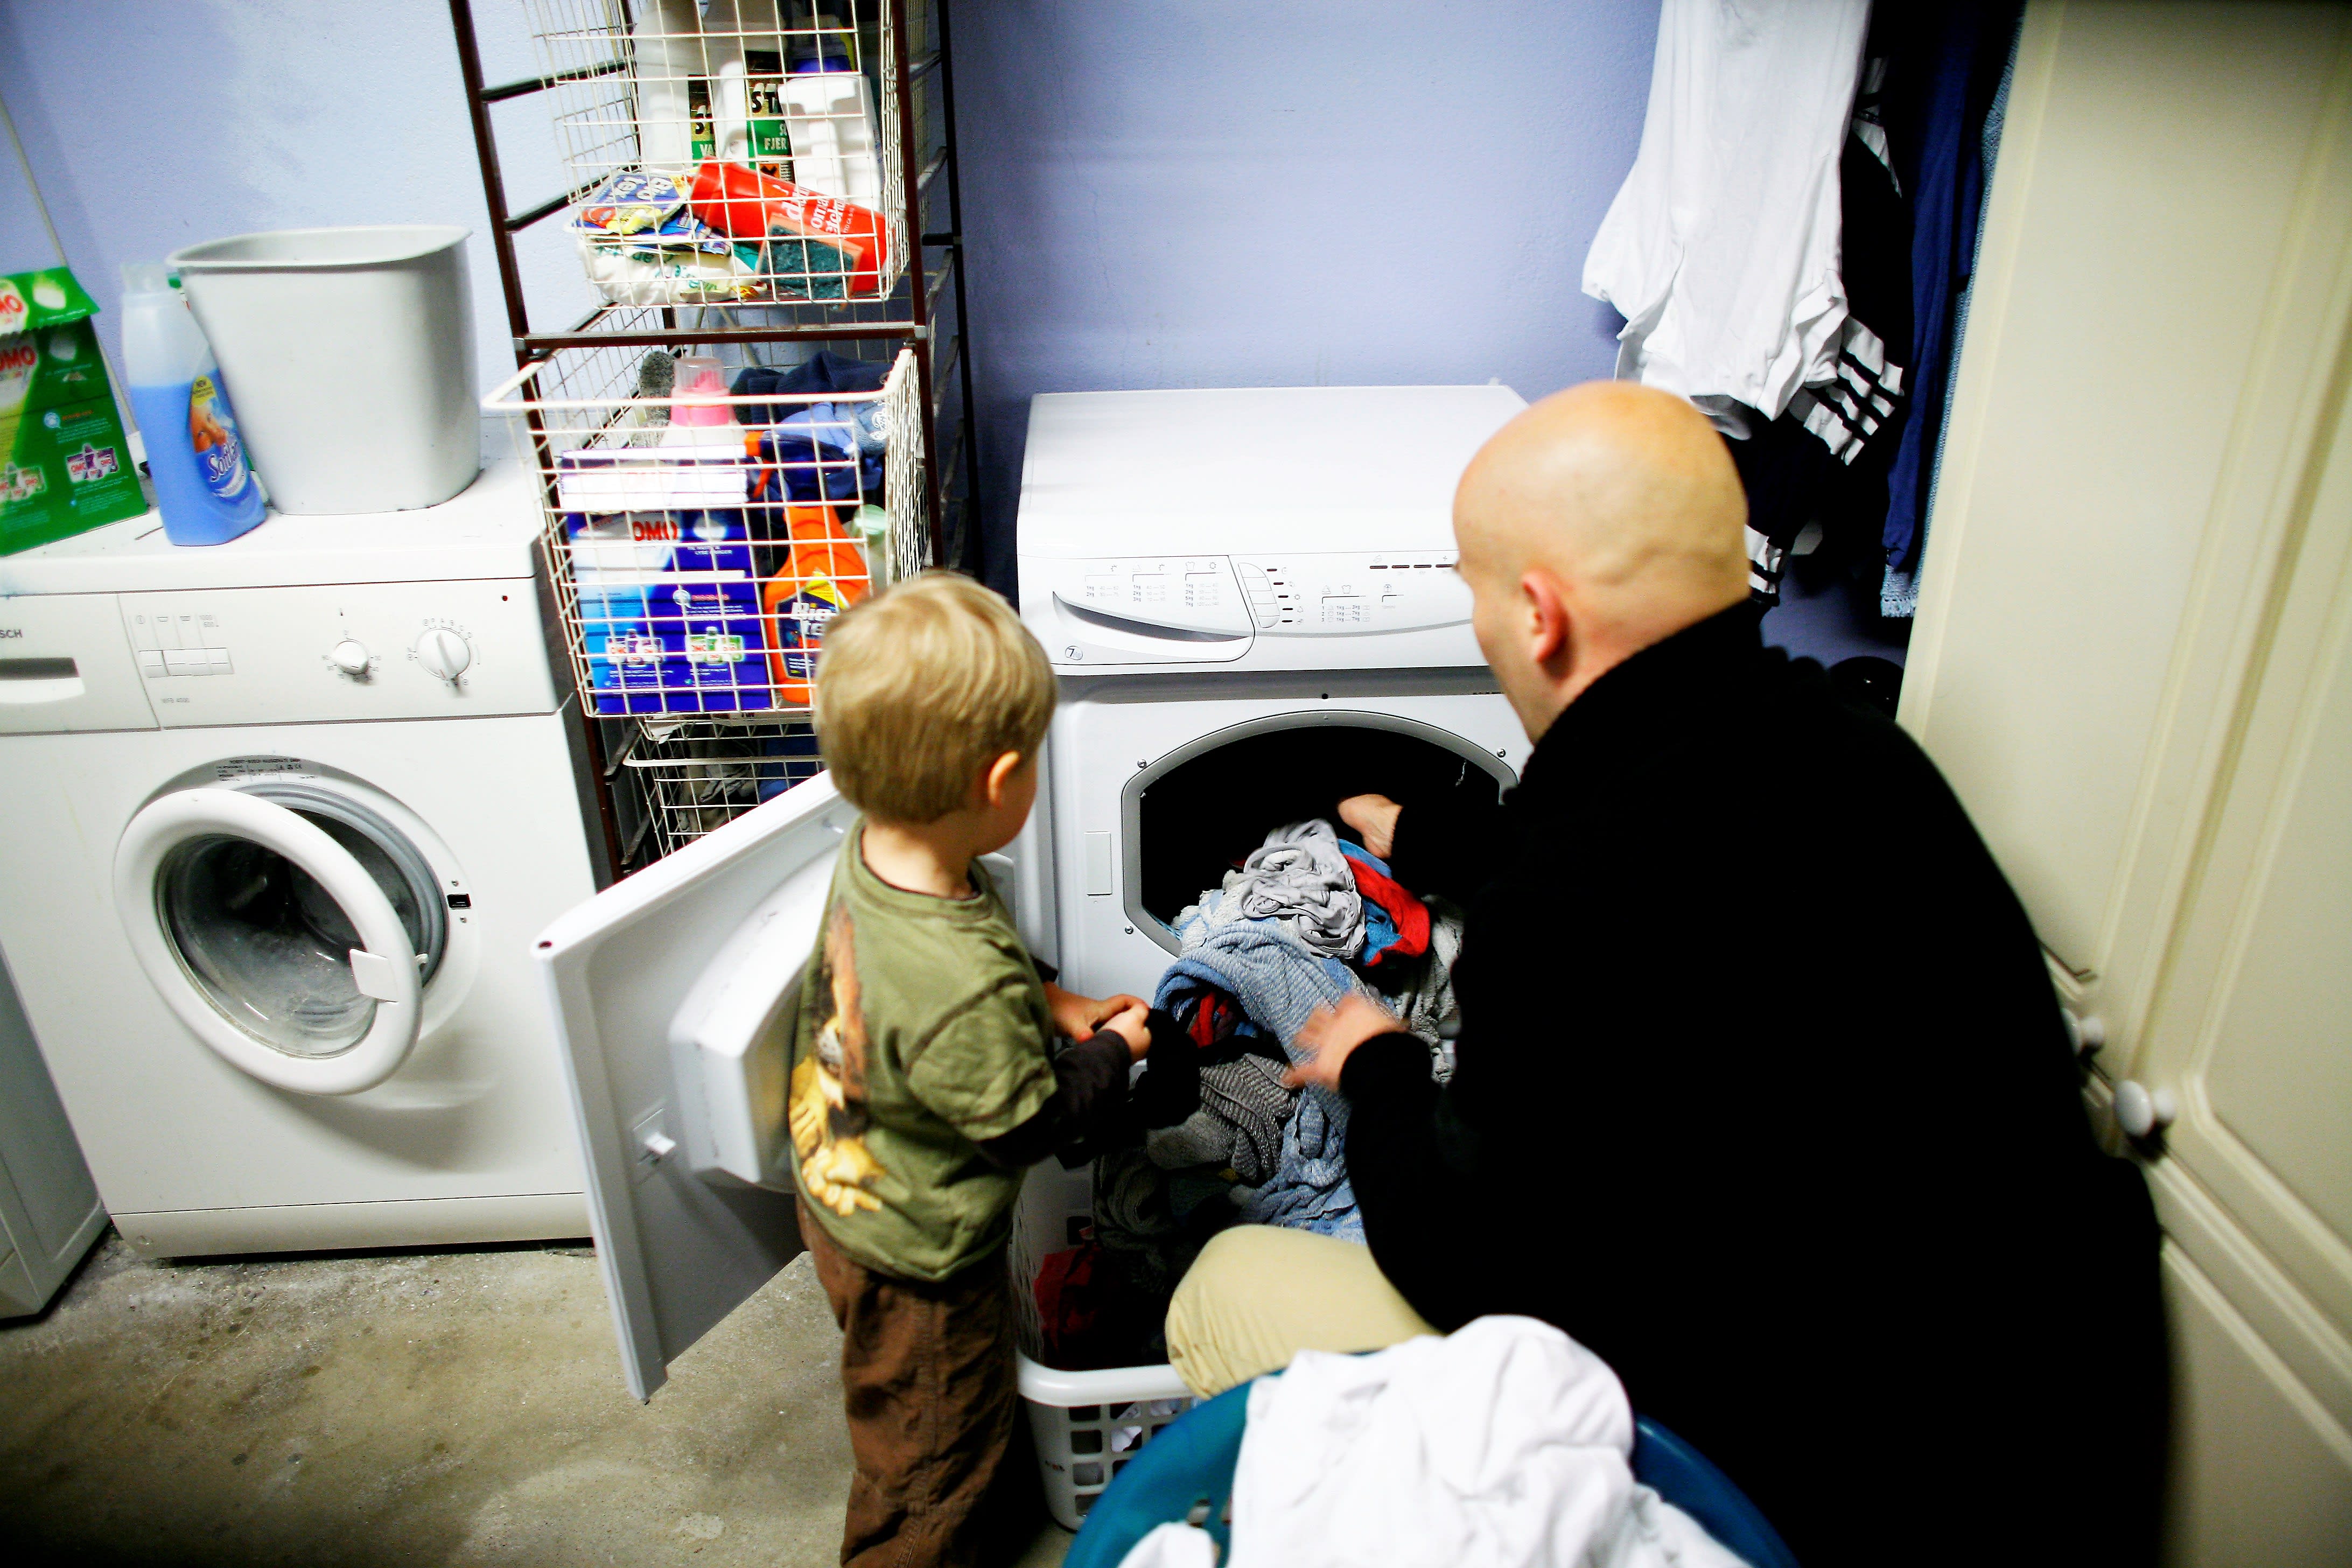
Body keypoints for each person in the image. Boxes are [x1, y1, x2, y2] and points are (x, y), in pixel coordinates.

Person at [1163, 383, 2165, 1567]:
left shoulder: (1567, 903)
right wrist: (1426, 839)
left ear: (1539, 616)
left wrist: (1377, 1064)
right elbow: (1674, 841)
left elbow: (1464, 1261)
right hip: (2041, 1448)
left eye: (1475, 593)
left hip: (1789, 1499)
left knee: (1224, 1281)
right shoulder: (1866, 757)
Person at [790, 570, 1158, 1568]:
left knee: (911, 1418)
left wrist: (1054, 1000)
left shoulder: (881, 848)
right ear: (1001, 784)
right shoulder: (961, 984)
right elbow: (1036, 1126)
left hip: (845, 1183)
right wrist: (1114, 1050)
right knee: (931, 1464)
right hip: (921, 1262)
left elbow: (972, 951)